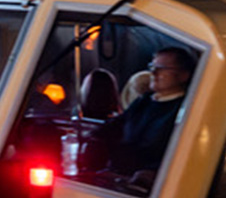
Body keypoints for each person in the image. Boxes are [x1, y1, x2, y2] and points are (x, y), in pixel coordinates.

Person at [83, 47, 195, 184]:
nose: (153, 72)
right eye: (152, 67)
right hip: (118, 177)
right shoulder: (144, 100)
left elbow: (182, 153)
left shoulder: (186, 109)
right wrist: (89, 137)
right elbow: (114, 126)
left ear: (184, 75)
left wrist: (155, 172)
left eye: (161, 68)